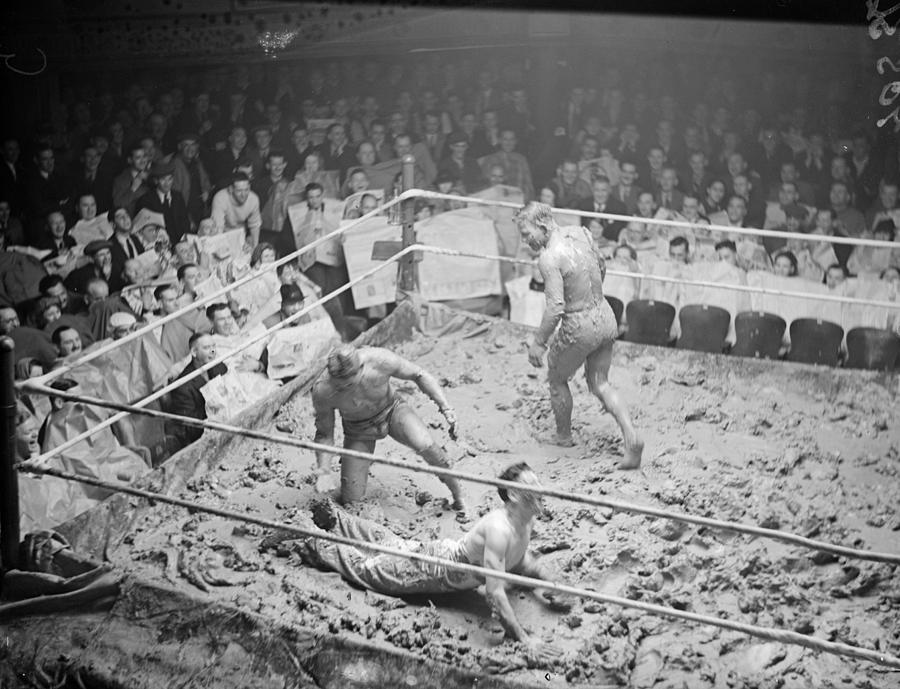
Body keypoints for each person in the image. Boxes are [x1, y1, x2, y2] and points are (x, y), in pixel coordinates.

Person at [285, 462, 566, 663]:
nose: (541, 490)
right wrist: (523, 639)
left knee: (393, 545)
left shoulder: (524, 521)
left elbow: (520, 560)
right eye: (532, 485)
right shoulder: (500, 529)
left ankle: (335, 518)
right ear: (514, 495)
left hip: (442, 553)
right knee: (369, 571)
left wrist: (549, 585)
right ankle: (306, 536)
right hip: (436, 570)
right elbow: (494, 592)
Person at [515, 202, 643, 468]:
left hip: (580, 323)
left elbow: (555, 308)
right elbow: (602, 266)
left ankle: (563, 438)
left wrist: (539, 343)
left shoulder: (549, 258)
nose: (526, 242)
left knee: (557, 378)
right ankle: (631, 436)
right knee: (600, 383)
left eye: (527, 235)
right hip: (605, 315)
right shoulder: (581, 233)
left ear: (542, 226)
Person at [311, 344, 468, 516]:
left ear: (361, 369)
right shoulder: (323, 390)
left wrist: (445, 407)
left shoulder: (380, 360)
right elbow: (324, 434)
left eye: (349, 384)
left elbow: (418, 374)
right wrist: (323, 470)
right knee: (351, 500)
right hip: (358, 429)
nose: (345, 389)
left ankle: (458, 497)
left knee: (428, 447)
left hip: (392, 410)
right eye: (340, 386)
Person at [167, 332, 227, 448]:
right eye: (206, 348)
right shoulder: (183, 386)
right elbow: (189, 427)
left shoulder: (218, 366)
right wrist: (211, 408)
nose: (213, 351)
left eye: (213, 346)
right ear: (194, 352)